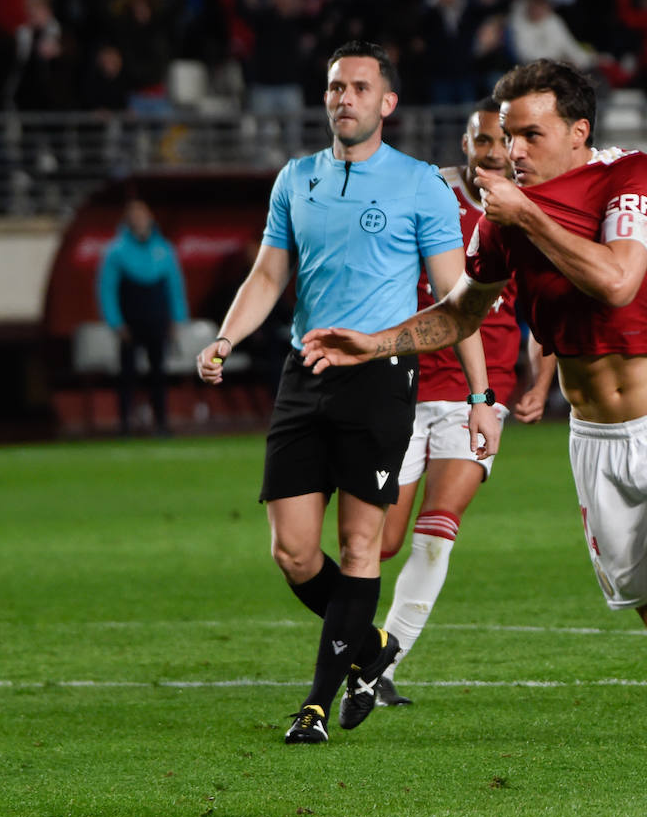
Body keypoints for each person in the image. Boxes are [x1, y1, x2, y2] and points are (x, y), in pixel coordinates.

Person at [301, 59, 647, 817]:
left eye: (531, 136)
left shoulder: (629, 178)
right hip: (598, 445)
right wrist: (372, 344)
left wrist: (523, 213)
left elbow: (617, 281)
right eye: (506, 136)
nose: (513, 151)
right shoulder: (502, 220)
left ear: (579, 134)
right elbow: (460, 314)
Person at [195, 41, 500, 745]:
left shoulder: (421, 184)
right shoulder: (295, 179)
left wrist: (482, 396)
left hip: (381, 377)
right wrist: (225, 338)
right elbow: (269, 276)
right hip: (306, 373)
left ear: (386, 103)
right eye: (336, 87)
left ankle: (317, 705)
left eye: (360, 87)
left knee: (362, 544)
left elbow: (458, 303)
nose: (345, 98)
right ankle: (371, 648)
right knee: (293, 552)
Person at [374, 98, 556, 707]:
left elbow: (550, 307)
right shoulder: (430, 195)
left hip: (478, 396)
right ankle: (353, 639)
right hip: (404, 386)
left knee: (439, 528)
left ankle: (380, 665)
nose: (490, 152)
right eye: (479, 141)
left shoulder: (532, 214)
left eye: (499, 141)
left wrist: (540, 380)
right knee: (381, 541)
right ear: (465, 146)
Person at [96, 199, 188, 436]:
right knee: (128, 374)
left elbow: (175, 286)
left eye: (142, 214)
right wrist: (115, 322)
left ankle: (161, 422)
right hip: (130, 320)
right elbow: (107, 289)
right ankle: (126, 423)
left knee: (158, 373)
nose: (139, 219)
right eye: (134, 215)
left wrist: (177, 319)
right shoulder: (116, 252)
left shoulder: (163, 249)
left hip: (157, 318)